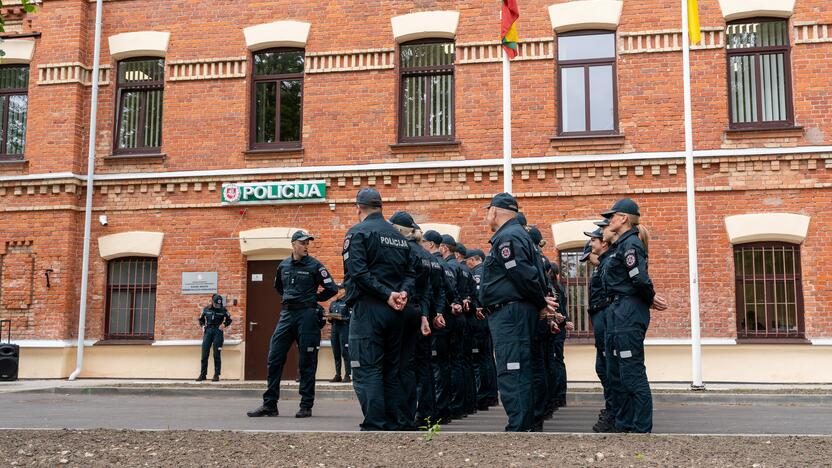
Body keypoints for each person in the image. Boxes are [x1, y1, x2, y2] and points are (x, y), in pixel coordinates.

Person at [480, 193, 557, 432]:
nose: (487, 215)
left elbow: (522, 273)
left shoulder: (508, 237)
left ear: (494, 211)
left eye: (487, 211)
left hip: (510, 314)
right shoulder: (518, 235)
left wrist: (540, 303)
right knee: (523, 368)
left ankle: (520, 428)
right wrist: (540, 302)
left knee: (512, 369)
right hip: (517, 311)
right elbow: (533, 275)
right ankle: (528, 424)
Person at [342, 188, 415, 431]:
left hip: (369, 309)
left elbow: (358, 272)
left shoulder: (358, 232)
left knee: (366, 368)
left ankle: (376, 422)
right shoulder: (399, 238)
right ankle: (395, 420)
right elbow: (411, 272)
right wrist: (401, 292)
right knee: (391, 369)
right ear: (380, 207)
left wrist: (386, 294)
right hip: (396, 311)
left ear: (359, 208)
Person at [247, 230, 338, 418]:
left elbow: (332, 288)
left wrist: (313, 299)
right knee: (274, 358)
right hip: (287, 314)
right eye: (303, 243)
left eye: (308, 244)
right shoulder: (284, 266)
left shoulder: (315, 266)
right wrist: (292, 300)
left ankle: (306, 405)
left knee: (307, 361)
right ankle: (270, 405)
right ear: (294, 244)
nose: (306, 246)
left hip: (307, 316)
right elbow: (279, 287)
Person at [600, 198, 667, 433]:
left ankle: (641, 428)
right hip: (619, 311)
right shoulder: (621, 245)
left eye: (612, 216)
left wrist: (649, 297)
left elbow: (638, 278)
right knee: (619, 371)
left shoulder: (631, 245)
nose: (609, 220)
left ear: (623, 218)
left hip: (628, 311)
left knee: (631, 371)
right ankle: (625, 423)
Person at [389, 211, 433, 431]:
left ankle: (402, 416)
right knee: (419, 368)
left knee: (399, 366)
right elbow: (429, 290)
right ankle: (421, 414)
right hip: (418, 312)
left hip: (400, 309)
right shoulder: (426, 255)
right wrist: (425, 314)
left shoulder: (401, 249)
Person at [421, 229, 456, 424]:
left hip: (433, 320)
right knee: (445, 365)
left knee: (434, 367)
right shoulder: (445, 265)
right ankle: (445, 409)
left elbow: (440, 291)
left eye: (423, 242)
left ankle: (437, 410)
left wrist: (435, 313)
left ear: (432, 245)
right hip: (444, 318)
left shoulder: (432, 262)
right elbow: (450, 291)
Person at [440, 234, 471, 419]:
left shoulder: (448, 266)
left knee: (449, 363)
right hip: (462, 316)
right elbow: (465, 293)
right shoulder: (462, 268)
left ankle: (455, 405)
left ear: (443, 248)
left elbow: (448, 291)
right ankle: (463, 405)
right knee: (461, 361)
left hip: (450, 316)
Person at [464, 248, 499, 410]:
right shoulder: (488, 270)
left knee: (480, 360)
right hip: (489, 319)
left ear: (474, 259)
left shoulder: (478, 272)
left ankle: (483, 396)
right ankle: (491, 395)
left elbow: (478, 295)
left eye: (467, 261)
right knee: (488, 358)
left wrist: (475, 306)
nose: (467, 264)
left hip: (479, 319)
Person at [197, 294, 232, 382]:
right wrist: (203, 326)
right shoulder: (206, 309)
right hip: (208, 331)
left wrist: (224, 324)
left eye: (219, 304)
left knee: (216, 354)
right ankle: (203, 374)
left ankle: (216, 375)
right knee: (204, 354)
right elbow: (201, 319)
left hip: (218, 332)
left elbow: (229, 319)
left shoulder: (223, 310)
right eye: (216, 304)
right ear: (212, 302)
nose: (217, 306)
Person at [328, 284, 351, 383]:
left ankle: (348, 375)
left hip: (344, 329)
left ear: (344, 291)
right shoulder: (332, 304)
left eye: (339, 290)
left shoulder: (348, 302)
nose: (337, 292)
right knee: (336, 353)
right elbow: (330, 318)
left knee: (345, 352)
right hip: (334, 329)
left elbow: (351, 318)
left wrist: (341, 318)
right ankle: (338, 375)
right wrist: (329, 318)